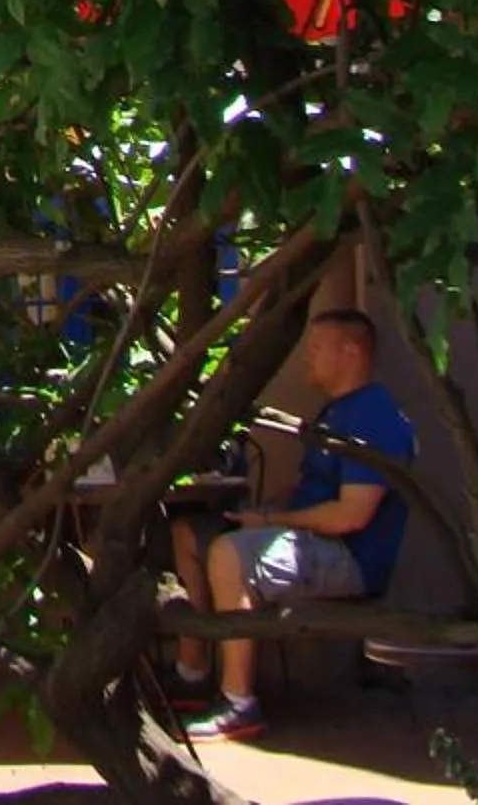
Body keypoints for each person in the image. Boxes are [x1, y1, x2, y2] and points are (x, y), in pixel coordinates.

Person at [170, 307, 417, 742]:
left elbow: (350, 515)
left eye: (318, 348)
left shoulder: (374, 416)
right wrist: (258, 515)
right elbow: (308, 495)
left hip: (350, 558)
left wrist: (268, 521)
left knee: (229, 554)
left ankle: (238, 702)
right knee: (189, 534)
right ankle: (192, 673)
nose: (308, 357)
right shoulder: (333, 413)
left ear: (351, 352)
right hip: (308, 540)